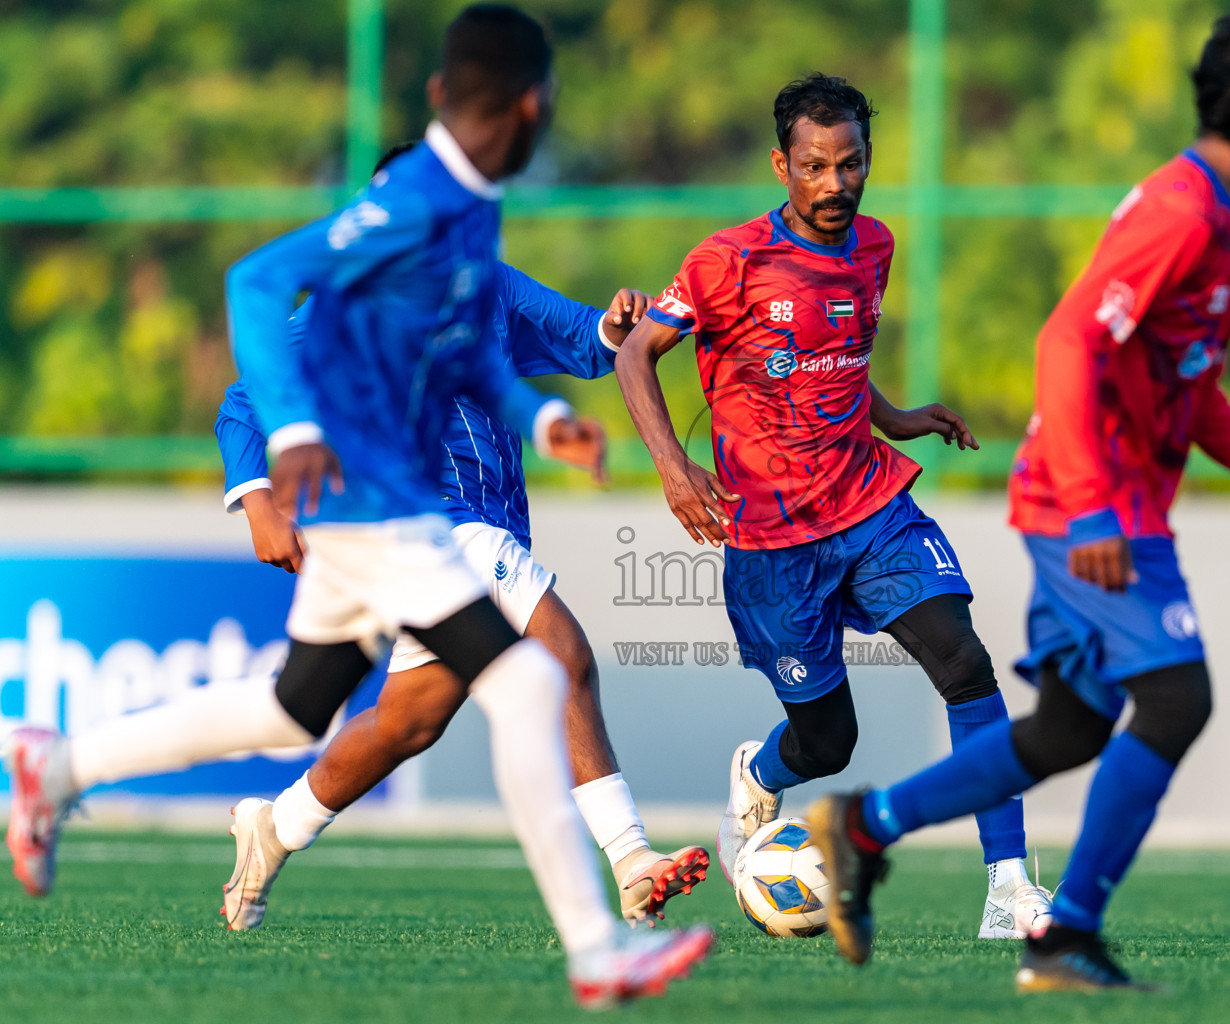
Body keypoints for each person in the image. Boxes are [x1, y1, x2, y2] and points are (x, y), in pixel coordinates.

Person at [7, 4, 710, 1008]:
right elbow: (256, 283)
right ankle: (603, 934)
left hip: (392, 520)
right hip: (393, 509)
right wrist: (272, 462)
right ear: (536, 104)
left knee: (301, 708)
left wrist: (545, 416)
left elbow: (479, 356)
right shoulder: (410, 206)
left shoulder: (466, 229)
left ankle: (60, 765)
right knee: (533, 679)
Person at [808, 2, 1230, 991]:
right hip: (1093, 508)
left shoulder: (1214, 225)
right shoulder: (1183, 214)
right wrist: (1096, 508)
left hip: (1093, 502)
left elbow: (1190, 393)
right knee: (1178, 695)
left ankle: (864, 825)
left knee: (1068, 726)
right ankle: (1065, 934)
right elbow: (1067, 341)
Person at [212, 144, 707, 932]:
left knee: (410, 721)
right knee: (562, 654)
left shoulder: (493, 288)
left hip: (473, 537)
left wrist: (616, 325)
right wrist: (260, 501)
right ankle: (630, 859)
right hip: (435, 525)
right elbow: (244, 402)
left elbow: (584, 342)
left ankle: (274, 828)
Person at [613, 73, 1048, 939]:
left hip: (870, 504)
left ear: (867, 161)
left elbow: (836, 358)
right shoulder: (726, 261)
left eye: (850, 165)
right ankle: (761, 771)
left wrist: (898, 417)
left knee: (965, 666)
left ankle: (1010, 890)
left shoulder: (874, 247)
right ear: (783, 165)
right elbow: (635, 353)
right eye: (814, 167)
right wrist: (671, 466)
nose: (834, 185)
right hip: (773, 542)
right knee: (827, 745)